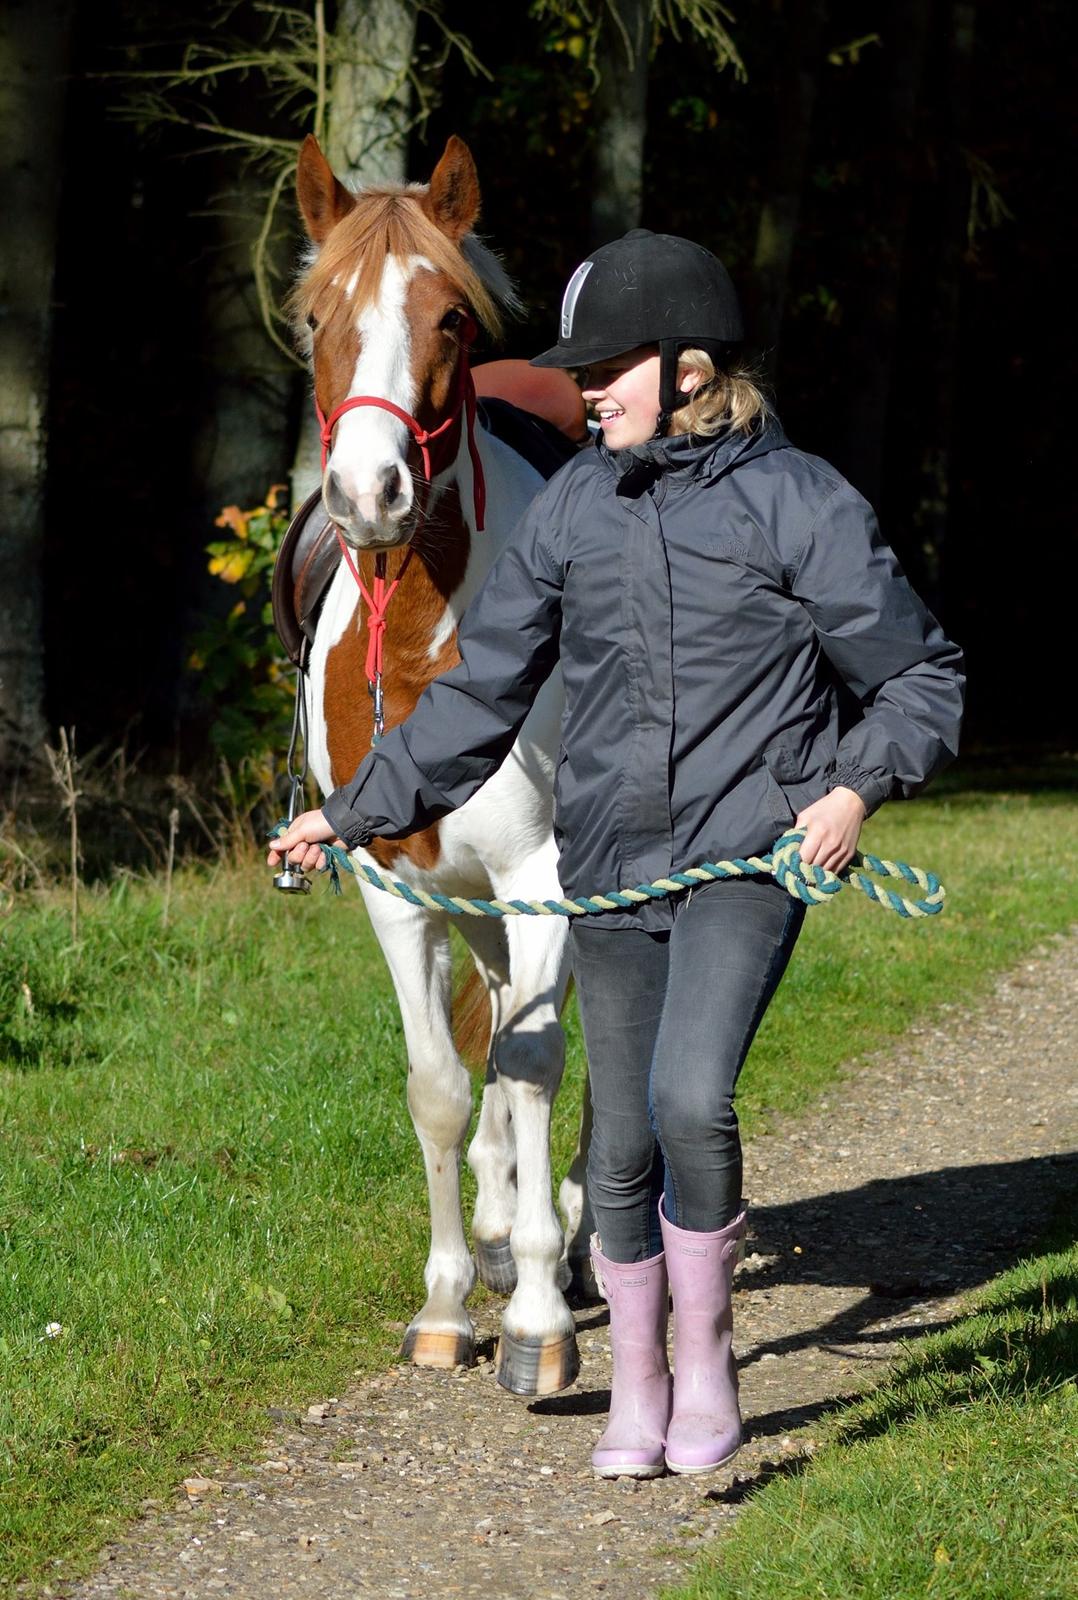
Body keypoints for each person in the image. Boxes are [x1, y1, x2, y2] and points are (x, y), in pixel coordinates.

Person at [269, 229, 965, 1480]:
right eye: (578, 370)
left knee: (689, 1103)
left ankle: (704, 1364)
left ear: (691, 366)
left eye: (609, 369)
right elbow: (481, 692)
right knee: (620, 1144)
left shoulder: (798, 501)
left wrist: (855, 787)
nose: (583, 390)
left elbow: (919, 674)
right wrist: (352, 809)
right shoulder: (579, 505)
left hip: (747, 860)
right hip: (612, 863)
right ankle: (637, 1375)